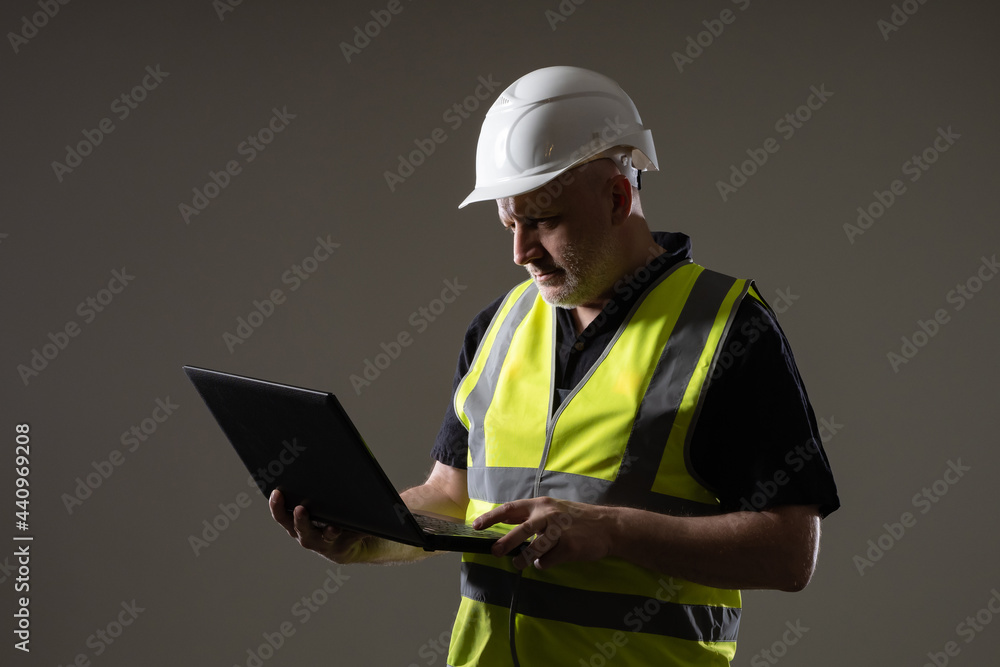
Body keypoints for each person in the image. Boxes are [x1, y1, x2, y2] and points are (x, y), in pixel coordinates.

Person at [270, 66, 839, 666]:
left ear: (618, 198)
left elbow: (788, 553)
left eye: (543, 221)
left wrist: (612, 530)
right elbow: (450, 496)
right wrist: (363, 534)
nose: (521, 252)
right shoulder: (498, 326)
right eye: (509, 223)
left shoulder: (729, 330)